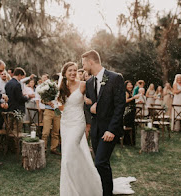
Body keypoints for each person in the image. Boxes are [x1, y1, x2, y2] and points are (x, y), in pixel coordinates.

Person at [82, 50, 125, 196]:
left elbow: (120, 106)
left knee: (100, 162)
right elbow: (90, 104)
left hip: (109, 130)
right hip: (96, 129)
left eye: (83, 64)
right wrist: (90, 107)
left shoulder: (115, 78)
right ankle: (103, 191)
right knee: (101, 163)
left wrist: (112, 130)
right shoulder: (89, 83)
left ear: (91, 62)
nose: (82, 67)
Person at [58, 62, 102, 196]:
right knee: (72, 155)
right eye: (70, 70)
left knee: (67, 159)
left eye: (75, 70)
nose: (72, 73)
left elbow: (94, 98)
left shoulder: (83, 85)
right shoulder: (61, 86)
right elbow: (61, 106)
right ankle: (84, 183)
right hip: (65, 122)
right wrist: (52, 103)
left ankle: (72, 191)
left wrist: (92, 103)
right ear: (64, 72)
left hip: (78, 123)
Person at [123, 80, 139, 145]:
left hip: (131, 112)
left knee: (132, 126)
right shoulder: (126, 93)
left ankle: (131, 142)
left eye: (131, 85)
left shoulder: (130, 92)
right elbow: (125, 101)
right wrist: (133, 98)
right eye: (128, 85)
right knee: (128, 126)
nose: (130, 86)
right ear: (126, 86)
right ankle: (127, 142)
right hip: (128, 112)